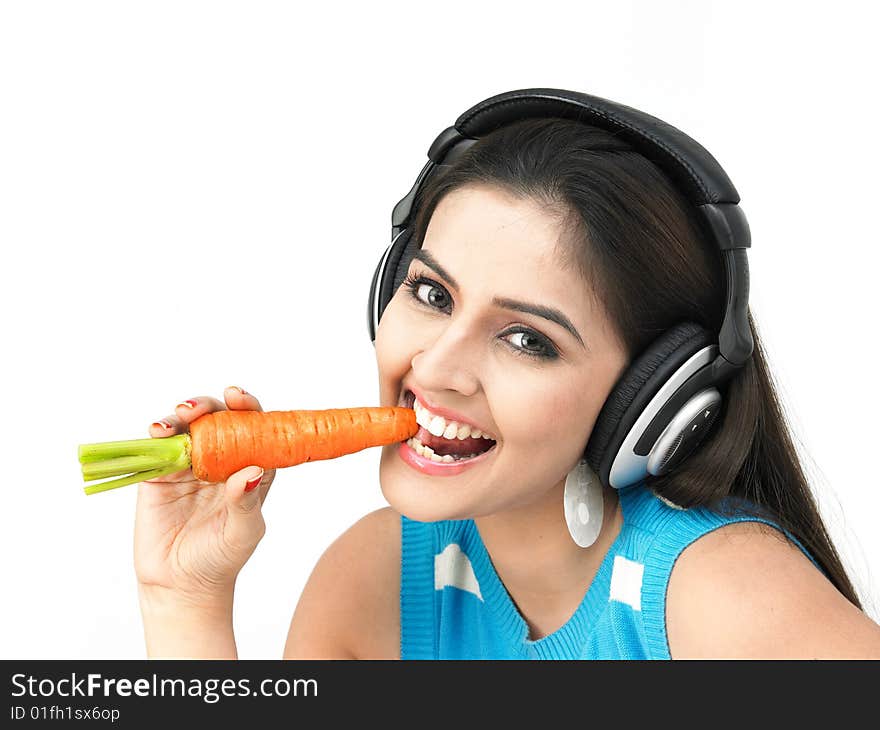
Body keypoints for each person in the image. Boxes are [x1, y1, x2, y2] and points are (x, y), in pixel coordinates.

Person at [134, 103, 880, 660]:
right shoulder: (375, 582)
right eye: (432, 295)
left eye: (527, 339)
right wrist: (186, 602)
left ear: (649, 400)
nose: (434, 368)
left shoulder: (723, 598)